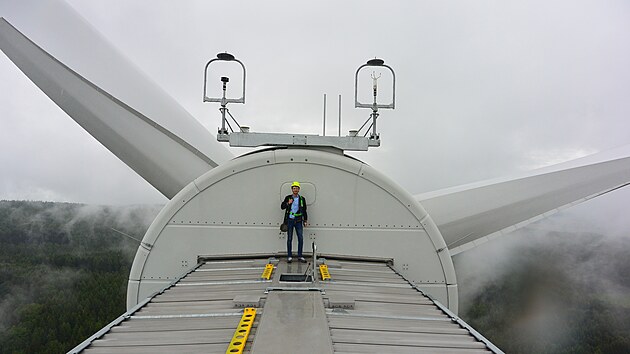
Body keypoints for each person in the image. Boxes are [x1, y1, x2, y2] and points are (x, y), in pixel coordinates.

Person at [281, 181, 308, 263]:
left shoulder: (302, 199)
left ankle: (300, 255)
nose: (295, 190)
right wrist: (287, 203)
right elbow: (282, 207)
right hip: (290, 220)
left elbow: (304, 210)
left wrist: (305, 220)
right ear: (292, 189)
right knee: (289, 238)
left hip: (299, 221)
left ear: (299, 189)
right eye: (294, 188)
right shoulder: (288, 198)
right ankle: (289, 256)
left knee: (301, 238)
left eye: (296, 188)